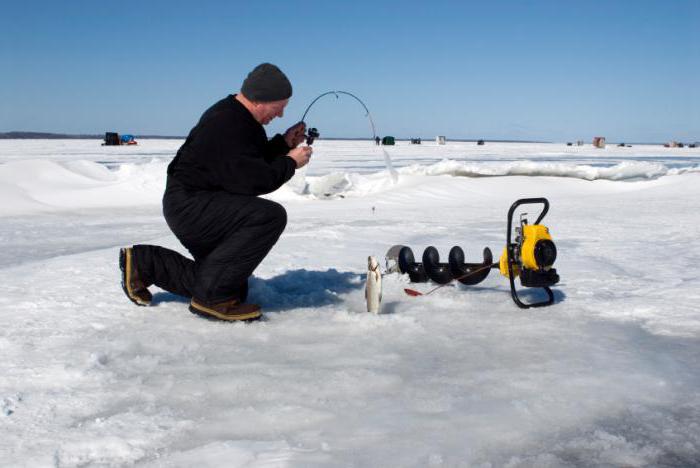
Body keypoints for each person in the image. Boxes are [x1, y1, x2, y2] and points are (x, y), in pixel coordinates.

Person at [119, 63, 312, 322]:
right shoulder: (229, 123)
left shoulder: (237, 117)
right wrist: (290, 163)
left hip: (195, 203)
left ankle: (146, 263)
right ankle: (213, 300)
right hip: (192, 206)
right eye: (280, 107)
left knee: (230, 283)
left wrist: (282, 144)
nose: (280, 115)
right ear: (261, 100)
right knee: (268, 216)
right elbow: (253, 180)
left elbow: (244, 161)